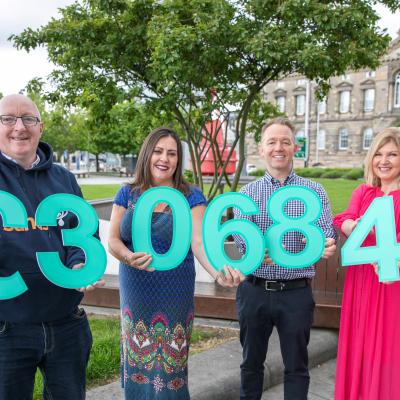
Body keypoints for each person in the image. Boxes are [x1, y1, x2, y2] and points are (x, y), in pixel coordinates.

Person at [108, 126, 243, 399]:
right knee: (138, 359)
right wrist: (127, 257)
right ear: (147, 154)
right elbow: (113, 239)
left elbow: (199, 242)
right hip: (135, 288)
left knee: (171, 367)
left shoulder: (190, 196)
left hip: (173, 291)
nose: (164, 158)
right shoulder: (128, 193)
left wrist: (219, 273)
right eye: (158, 151)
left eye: (172, 153)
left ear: (178, 161)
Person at [0, 94, 103, 399]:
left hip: (66, 324)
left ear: (41, 127)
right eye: (8, 119)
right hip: (7, 328)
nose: (19, 127)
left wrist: (80, 263)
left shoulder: (64, 179)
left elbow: (83, 236)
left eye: (28, 119)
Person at [233, 117, 337, 400]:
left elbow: (327, 231)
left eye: (285, 141)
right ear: (262, 149)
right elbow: (242, 239)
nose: (279, 147)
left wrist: (326, 242)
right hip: (254, 290)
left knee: (297, 367)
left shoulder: (314, 192)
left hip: (296, 293)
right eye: (272, 142)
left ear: (294, 147)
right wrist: (254, 251)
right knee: (251, 364)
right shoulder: (247, 194)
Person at [333, 127, 400, 400]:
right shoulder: (364, 193)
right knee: (360, 346)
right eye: (379, 154)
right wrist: (351, 224)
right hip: (362, 284)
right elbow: (343, 218)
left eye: (393, 154)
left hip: (391, 285)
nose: (384, 160)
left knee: (387, 348)